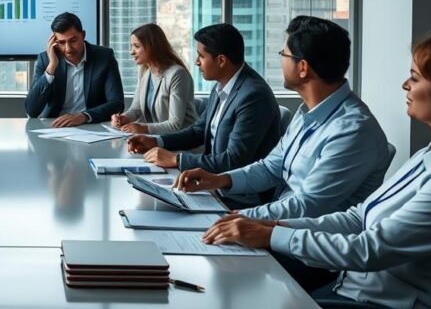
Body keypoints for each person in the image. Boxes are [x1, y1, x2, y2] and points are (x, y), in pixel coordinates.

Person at [201, 32, 431, 309]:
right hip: (350, 289)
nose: (406, 85)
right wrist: (273, 227)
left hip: (373, 304)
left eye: (415, 78)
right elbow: (359, 217)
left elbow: (372, 248)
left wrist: (269, 236)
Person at [172, 16, 390, 220]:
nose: (281, 61)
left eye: (284, 55)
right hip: (274, 223)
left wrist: (241, 217)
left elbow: (308, 206)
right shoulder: (308, 113)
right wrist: (220, 180)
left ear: (303, 68)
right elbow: (270, 168)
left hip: (303, 247)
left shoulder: (353, 131)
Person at [127, 24, 280, 205]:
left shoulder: (253, 95)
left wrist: (177, 159)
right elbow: (198, 131)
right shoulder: (222, 86)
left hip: (238, 198)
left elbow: (234, 160)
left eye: (201, 56)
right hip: (210, 185)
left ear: (221, 60)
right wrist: (156, 141)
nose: (196, 62)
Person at [24, 12, 125, 127]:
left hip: (92, 125)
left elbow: (117, 103)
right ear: (54, 42)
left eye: (73, 41)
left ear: (83, 35)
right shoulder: (46, 59)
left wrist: (84, 116)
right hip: (56, 127)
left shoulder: (104, 57)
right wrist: (52, 66)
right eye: (61, 42)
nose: (68, 49)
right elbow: (31, 110)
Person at [111, 23, 198, 135]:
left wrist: (143, 128)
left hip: (184, 142)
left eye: (137, 46)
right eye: (131, 46)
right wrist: (124, 118)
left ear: (152, 46)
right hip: (157, 139)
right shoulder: (145, 72)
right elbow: (136, 109)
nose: (131, 52)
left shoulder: (177, 74)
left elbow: (175, 125)